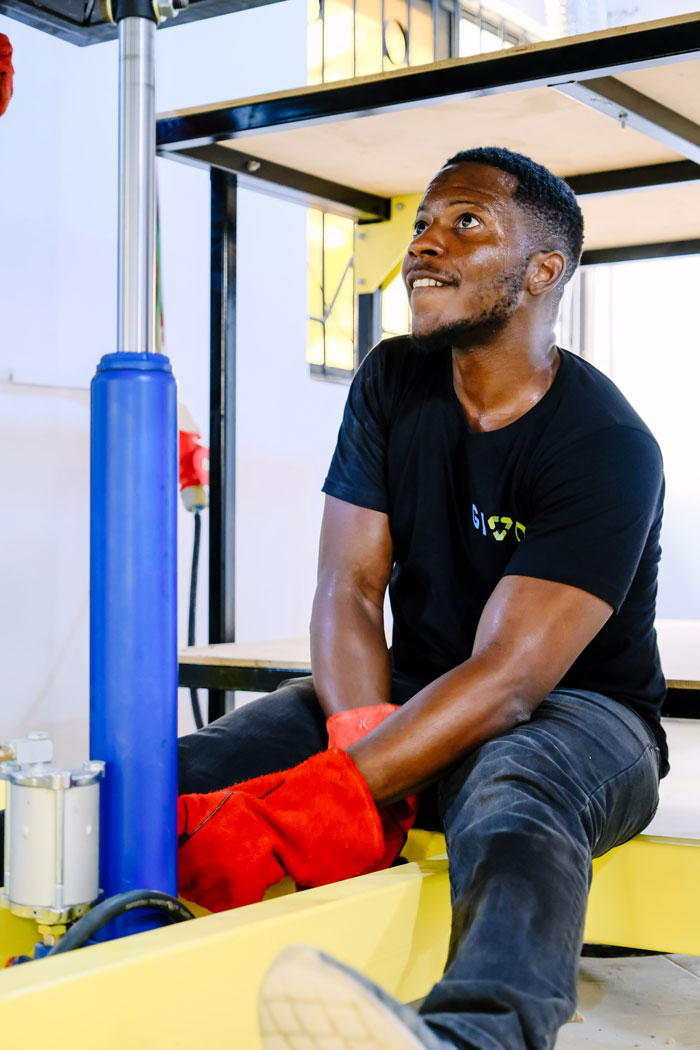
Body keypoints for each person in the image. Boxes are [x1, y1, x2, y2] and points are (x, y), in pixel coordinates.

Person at [177, 146, 666, 1050]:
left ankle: (476, 1036)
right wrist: (364, 755)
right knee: (207, 761)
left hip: (584, 716)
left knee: (512, 780)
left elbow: (512, 681)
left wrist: (331, 798)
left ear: (543, 271)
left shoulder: (607, 444)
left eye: (466, 222)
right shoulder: (393, 379)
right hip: (412, 695)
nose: (424, 246)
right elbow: (349, 586)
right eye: (422, 224)